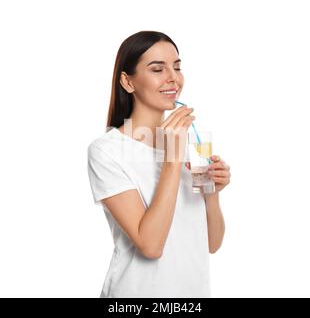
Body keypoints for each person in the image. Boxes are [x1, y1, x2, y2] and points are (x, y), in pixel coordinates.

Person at [87, 31, 231, 298]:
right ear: (127, 82)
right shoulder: (106, 151)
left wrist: (212, 193)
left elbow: (211, 243)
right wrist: (172, 161)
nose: (173, 78)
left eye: (177, 67)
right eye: (157, 69)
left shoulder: (188, 145)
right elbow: (150, 246)